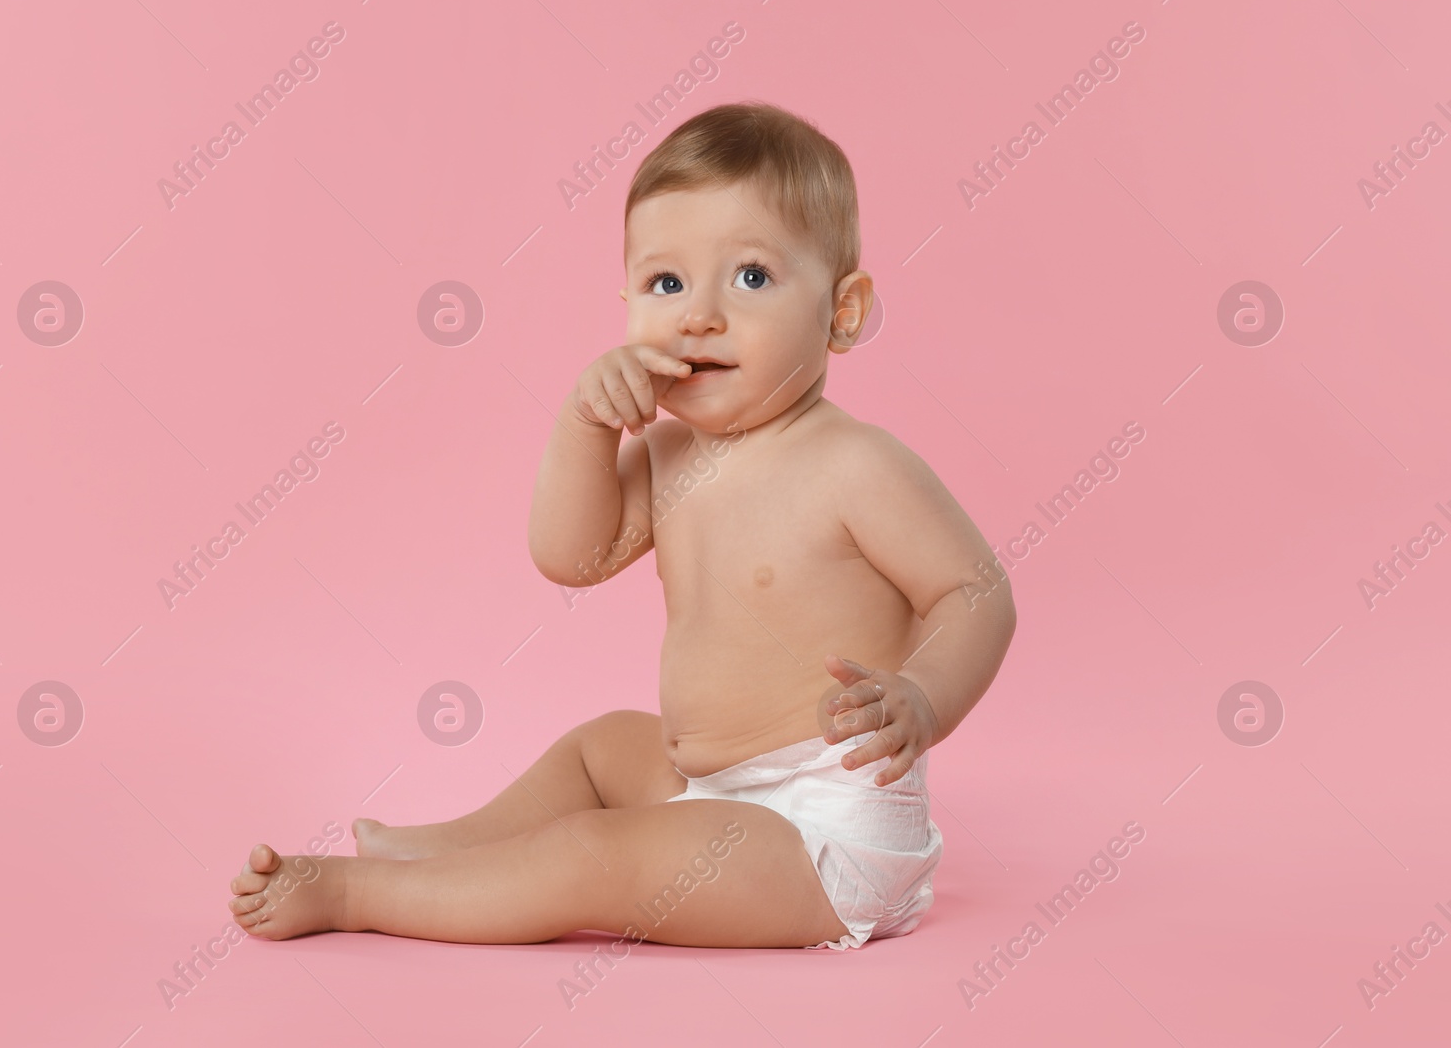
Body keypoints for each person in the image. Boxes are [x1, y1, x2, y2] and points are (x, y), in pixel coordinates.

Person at [228, 100, 1016, 950]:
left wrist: (923, 697)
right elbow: (571, 556)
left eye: (750, 277)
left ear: (842, 311)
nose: (699, 314)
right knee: (601, 749)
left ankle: (362, 896)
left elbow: (976, 593)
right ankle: (443, 853)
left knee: (590, 854)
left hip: (827, 831)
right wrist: (586, 426)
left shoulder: (855, 465)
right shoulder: (673, 453)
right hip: (713, 790)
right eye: (665, 283)